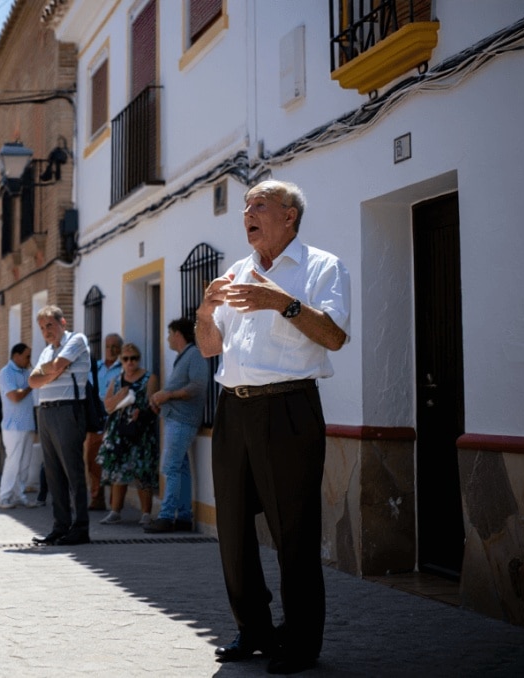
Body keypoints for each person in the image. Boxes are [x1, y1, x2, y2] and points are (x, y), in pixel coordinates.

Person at [197, 180, 350, 675]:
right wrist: (204, 311)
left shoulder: (322, 267)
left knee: (294, 532)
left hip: (289, 408)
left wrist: (281, 301)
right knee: (232, 530)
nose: (248, 212)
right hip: (233, 410)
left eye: (259, 205)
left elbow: (334, 336)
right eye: (246, 206)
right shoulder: (235, 273)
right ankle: (254, 630)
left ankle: (301, 642)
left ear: (289, 216)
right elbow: (209, 347)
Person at [28, 305, 93, 546]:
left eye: (50, 325)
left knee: (73, 471)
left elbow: (56, 366)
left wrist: (52, 369)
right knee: (53, 474)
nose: (46, 331)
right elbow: (33, 381)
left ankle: (81, 528)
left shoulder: (77, 340)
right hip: (45, 413)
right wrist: (54, 370)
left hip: (68, 410)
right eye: (42, 328)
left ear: (62, 323)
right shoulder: (47, 351)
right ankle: (60, 527)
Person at [145, 318, 210, 533]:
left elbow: (197, 386)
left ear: (177, 334)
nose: (167, 339)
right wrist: (161, 399)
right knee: (180, 468)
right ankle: (183, 517)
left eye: (169, 334)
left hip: (182, 420)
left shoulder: (195, 355)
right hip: (176, 418)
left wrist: (168, 395)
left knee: (171, 468)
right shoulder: (186, 356)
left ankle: (165, 516)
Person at [96, 343, 160, 526]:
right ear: (121, 361)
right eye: (126, 359)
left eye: (134, 358)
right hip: (119, 431)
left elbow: (154, 405)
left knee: (142, 471)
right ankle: (115, 511)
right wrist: (120, 395)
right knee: (118, 471)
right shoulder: (117, 380)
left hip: (141, 431)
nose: (130, 362)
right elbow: (108, 407)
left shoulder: (149, 378)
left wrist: (142, 412)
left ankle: (146, 513)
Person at [0, 343, 39, 509]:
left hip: (27, 424)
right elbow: (14, 396)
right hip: (13, 426)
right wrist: (30, 385)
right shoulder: (6, 372)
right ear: (16, 356)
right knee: (13, 463)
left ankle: (19, 495)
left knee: (25, 464)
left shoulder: (27, 373)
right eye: (27, 356)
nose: (29, 360)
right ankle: (4, 497)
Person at [85, 334, 122, 510]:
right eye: (108, 346)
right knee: (93, 461)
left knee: (113, 462)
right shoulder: (95, 367)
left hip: (114, 420)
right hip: (95, 421)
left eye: (115, 346)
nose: (111, 350)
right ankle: (96, 498)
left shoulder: (123, 368)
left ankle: (114, 504)